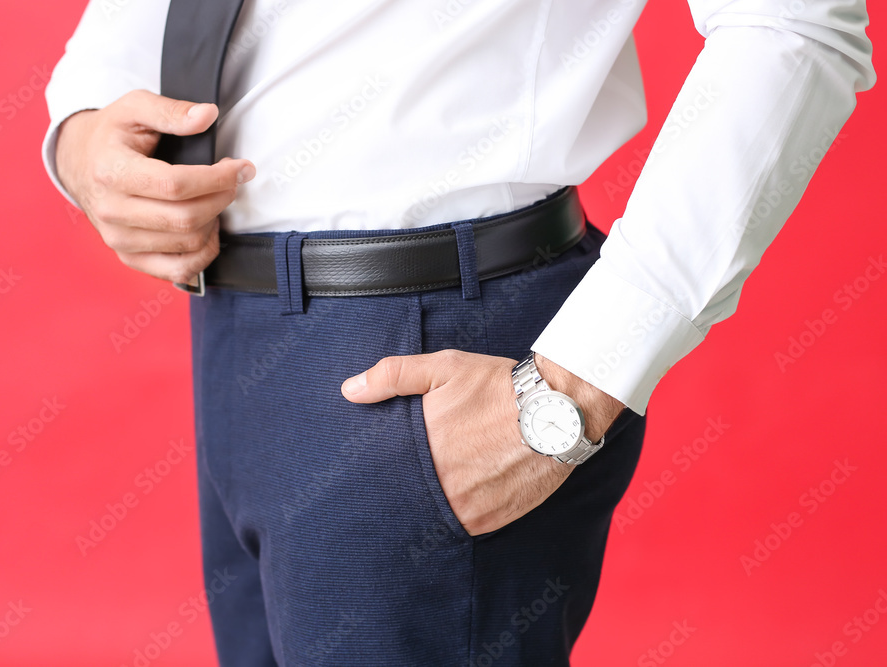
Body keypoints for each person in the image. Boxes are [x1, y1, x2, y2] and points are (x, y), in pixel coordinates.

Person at [42, 1, 874, 664]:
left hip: (428, 345)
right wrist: (83, 132)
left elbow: (794, 25)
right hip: (233, 329)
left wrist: (570, 387)